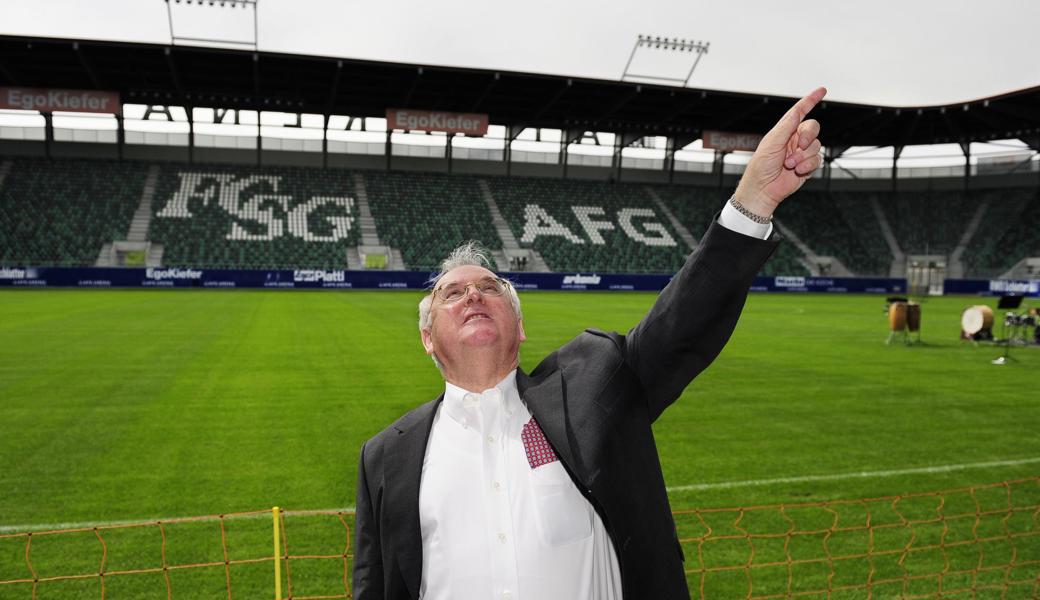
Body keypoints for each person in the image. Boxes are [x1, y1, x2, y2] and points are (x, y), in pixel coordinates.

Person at [353, 87, 827, 600]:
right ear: (427, 337)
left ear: (520, 325)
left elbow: (680, 324)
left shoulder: (592, 387)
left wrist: (754, 201)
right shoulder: (383, 458)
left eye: (490, 287)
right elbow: (375, 585)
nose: (474, 294)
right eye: (453, 293)